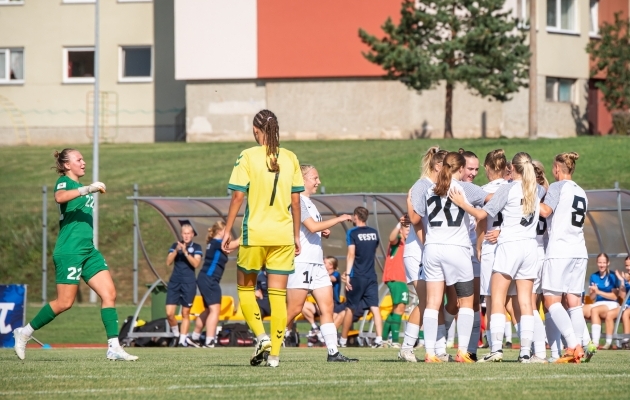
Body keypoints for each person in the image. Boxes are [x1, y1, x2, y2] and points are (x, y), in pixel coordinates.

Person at [13, 149, 137, 361]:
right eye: (78, 159)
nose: (83, 162)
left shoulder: (81, 187)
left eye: (83, 159)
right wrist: (88, 189)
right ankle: (24, 333)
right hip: (69, 251)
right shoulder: (65, 183)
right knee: (64, 303)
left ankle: (113, 347)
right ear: (67, 165)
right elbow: (59, 197)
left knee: (109, 294)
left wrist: (87, 189)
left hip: (88, 251)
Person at [221, 109, 303, 368]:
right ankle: (275, 355)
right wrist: (296, 234)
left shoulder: (247, 156)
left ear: (256, 130)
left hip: (254, 234)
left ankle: (261, 337)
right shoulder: (290, 157)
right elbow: (296, 200)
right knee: (278, 296)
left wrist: (226, 229)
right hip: (283, 236)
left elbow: (237, 197)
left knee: (245, 289)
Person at [451, 152, 546, 363]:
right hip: (530, 248)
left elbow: (482, 215)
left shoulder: (508, 188)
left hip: (509, 247)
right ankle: (525, 352)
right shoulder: (537, 188)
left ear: (512, 168)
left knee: (497, 298)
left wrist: (462, 203)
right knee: (524, 301)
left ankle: (496, 349)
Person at [417, 152, 488, 363]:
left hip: (432, 249)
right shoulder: (462, 188)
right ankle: (463, 352)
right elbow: (480, 214)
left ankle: (430, 353)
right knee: (466, 301)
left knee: (432, 302)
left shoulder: (430, 189)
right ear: (460, 169)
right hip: (456, 249)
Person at [284, 164, 356, 362]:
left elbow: (312, 228)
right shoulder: (297, 199)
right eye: (314, 178)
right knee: (294, 309)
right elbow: (312, 225)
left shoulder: (310, 203)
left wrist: (322, 231)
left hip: (317, 264)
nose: (318, 182)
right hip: (302, 262)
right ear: (303, 180)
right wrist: (338, 219)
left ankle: (333, 352)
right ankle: (268, 342)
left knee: (327, 308)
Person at [399, 146, 449, 363]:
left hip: (430, 250)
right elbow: (416, 219)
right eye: (448, 166)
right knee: (427, 300)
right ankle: (406, 347)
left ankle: (439, 349)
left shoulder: (437, 186)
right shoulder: (421, 186)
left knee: (436, 301)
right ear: (438, 166)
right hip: (418, 252)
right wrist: (429, 244)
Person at [539, 152, 589, 363]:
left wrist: (528, 196)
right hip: (580, 249)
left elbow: (545, 211)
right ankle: (580, 348)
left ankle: (571, 345)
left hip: (560, 250)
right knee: (574, 302)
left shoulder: (558, 187)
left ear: (557, 169)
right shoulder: (582, 191)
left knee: (551, 300)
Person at [476, 149, 508, 350]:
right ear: (506, 168)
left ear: (487, 167)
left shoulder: (482, 189)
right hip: (509, 245)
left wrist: (479, 246)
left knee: (490, 297)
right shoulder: (513, 188)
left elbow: (480, 220)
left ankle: (494, 345)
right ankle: (530, 347)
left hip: (490, 244)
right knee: (513, 299)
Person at [188, 221, 239, 348]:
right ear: (221, 231)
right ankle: (210, 341)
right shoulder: (217, 243)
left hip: (206, 278)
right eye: (226, 231)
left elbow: (229, 248)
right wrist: (246, 234)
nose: (228, 234)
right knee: (215, 310)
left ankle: (194, 338)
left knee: (208, 310)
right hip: (209, 279)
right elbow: (232, 245)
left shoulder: (214, 243)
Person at [340, 207, 383, 348]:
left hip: (357, 276)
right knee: (375, 307)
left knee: (350, 308)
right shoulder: (374, 233)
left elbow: (351, 254)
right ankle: (379, 339)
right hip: (371, 275)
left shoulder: (352, 232)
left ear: (356, 216)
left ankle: (343, 340)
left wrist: (347, 274)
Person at [458, 148, 482, 357]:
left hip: (471, 253)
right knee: (440, 303)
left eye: (476, 169)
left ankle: (470, 350)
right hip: (453, 252)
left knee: (472, 302)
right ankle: (435, 348)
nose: (473, 173)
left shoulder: (475, 190)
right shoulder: (450, 188)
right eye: (469, 168)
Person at [165, 224, 203, 347]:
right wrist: (176, 250)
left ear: (192, 234)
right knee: (169, 313)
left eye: (189, 233)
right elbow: (168, 262)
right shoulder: (175, 246)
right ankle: (176, 335)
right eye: (184, 233)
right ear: (181, 234)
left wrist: (186, 252)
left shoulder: (197, 247)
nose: (186, 236)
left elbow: (196, 264)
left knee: (185, 313)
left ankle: (182, 341)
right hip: (174, 282)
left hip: (189, 283)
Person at [381, 216, 410, 348]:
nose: (409, 231)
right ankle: (396, 341)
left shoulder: (409, 243)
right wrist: (399, 224)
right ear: (401, 231)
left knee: (396, 309)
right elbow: (391, 238)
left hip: (401, 279)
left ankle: (384, 339)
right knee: (400, 307)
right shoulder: (398, 241)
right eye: (407, 228)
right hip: (396, 278)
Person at [584, 253, 619, 349]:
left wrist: (599, 291)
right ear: (597, 263)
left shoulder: (612, 276)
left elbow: (614, 296)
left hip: (611, 304)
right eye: (600, 262)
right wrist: (593, 292)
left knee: (595, 310)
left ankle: (595, 343)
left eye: (604, 262)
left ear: (608, 263)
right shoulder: (593, 276)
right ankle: (582, 340)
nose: (602, 265)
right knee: (579, 310)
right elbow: (592, 298)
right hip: (598, 303)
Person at [616, 256, 630, 349]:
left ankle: (626, 339)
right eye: (626, 265)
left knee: (625, 314)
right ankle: (611, 342)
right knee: (610, 314)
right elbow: (622, 296)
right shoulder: (626, 277)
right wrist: (622, 281)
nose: (628, 268)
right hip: (626, 304)